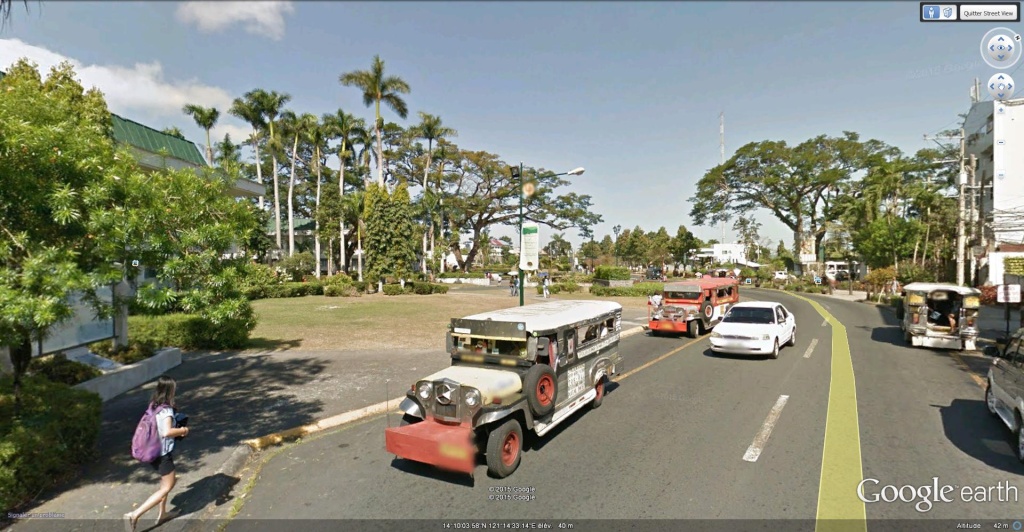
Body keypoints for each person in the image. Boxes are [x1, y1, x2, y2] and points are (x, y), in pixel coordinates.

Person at [124, 376, 190, 531]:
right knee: (167, 486)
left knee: (164, 481)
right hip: (162, 454)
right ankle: (134, 515)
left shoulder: (154, 405)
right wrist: (184, 430)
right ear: (170, 390)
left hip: (152, 452)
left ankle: (162, 513)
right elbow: (167, 432)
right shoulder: (166, 410)